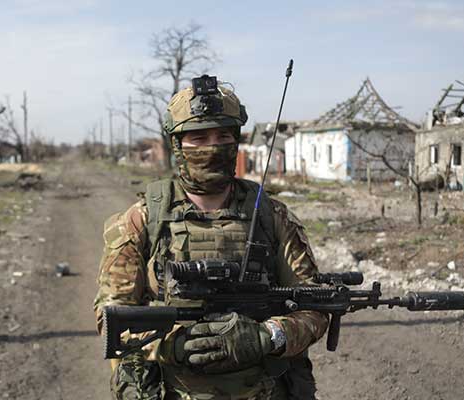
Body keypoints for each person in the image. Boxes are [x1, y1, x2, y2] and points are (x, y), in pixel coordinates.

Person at [93, 76, 328, 399]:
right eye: (199, 137)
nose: (212, 147)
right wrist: (172, 345)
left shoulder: (271, 216)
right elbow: (111, 319)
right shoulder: (142, 220)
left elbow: (314, 308)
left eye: (223, 136)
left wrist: (269, 335)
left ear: (236, 141)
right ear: (178, 145)